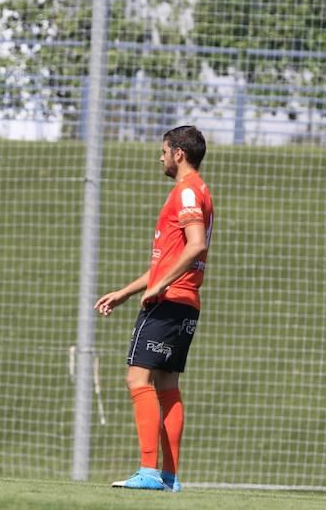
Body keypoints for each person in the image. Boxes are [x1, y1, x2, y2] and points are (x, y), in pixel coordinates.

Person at [94, 126, 213, 492]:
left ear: (178, 153)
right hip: (185, 301)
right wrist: (127, 291)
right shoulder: (197, 191)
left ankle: (148, 471)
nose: (160, 157)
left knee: (137, 378)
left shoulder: (188, 191)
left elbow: (194, 247)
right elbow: (170, 258)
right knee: (167, 385)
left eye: (163, 151)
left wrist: (160, 286)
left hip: (169, 300)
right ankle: (170, 477)